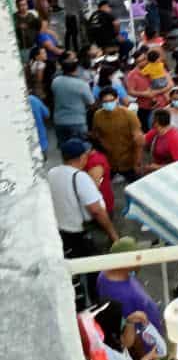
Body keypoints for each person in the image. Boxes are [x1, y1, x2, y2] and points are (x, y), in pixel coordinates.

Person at [49, 139, 118, 291]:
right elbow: (96, 210)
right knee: (93, 270)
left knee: (74, 271)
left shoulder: (52, 173)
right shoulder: (80, 178)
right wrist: (113, 234)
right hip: (81, 234)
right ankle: (95, 300)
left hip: (61, 232)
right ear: (81, 158)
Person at [91, 86, 144, 179]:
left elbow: (139, 141)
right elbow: (96, 135)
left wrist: (137, 162)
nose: (108, 103)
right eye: (105, 102)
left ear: (117, 99)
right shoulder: (97, 115)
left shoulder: (129, 115)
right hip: (109, 160)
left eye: (111, 100)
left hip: (128, 161)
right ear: (101, 102)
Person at [51, 57, 94, 143]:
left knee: (65, 148)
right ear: (76, 69)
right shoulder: (82, 84)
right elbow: (91, 103)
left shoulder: (55, 81)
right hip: (77, 121)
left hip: (59, 121)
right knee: (81, 148)